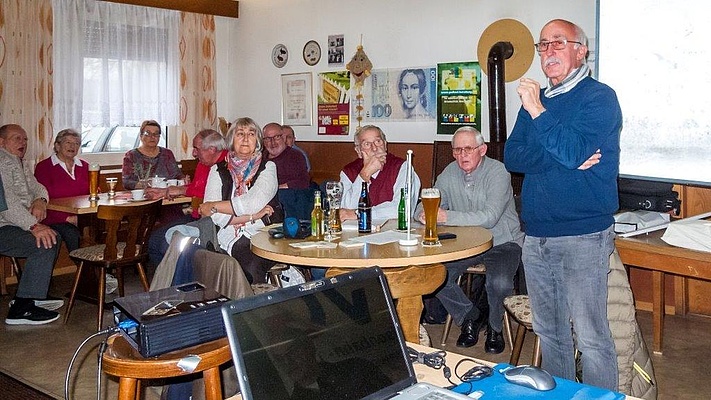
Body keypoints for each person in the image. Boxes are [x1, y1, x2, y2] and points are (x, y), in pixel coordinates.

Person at [504, 19, 622, 390]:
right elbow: (514, 157)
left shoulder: (599, 98)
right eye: (543, 45)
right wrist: (563, 155)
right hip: (536, 236)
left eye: (558, 43)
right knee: (551, 335)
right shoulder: (535, 101)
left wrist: (539, 112)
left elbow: (571, 150)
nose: (548, 51)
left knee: (591, 338)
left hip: (583, 236)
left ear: (580, 50)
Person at [415, 126, 524, 353]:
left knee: (499, 283)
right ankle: (469, 317)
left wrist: (445, 216)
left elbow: (489, 217)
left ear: (482, 150)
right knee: (433, 274)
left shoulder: (498, 172)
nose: (461, 155)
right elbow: (430, 199)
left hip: (503, 241)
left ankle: (495, 328)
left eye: (468, 149)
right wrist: (422, 213)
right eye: (456, 150)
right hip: (465, 244)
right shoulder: (449, 172)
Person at [198, 118, 278, 284]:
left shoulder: (268, 167)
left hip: (265, 232)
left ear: (257, 140)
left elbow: (252, 203)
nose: (246, 138)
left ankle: (257, 306)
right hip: (227, 234)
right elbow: (214, 217)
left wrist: (213, 206)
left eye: (251, 134)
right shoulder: (218, 169)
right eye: (240, 134)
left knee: (251, 264)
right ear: (231, 140)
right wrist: (251, 217)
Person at [0, 124, 63, 325]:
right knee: (46, 241)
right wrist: (34, 226)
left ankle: (32, 294)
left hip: (15, 224)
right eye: (17, 138)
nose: (23, 143)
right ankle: (21, 309)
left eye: (25, 139)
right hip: (3, 227)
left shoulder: (18, 161)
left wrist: (40, 201)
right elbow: (6, 206)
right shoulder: (2, 162)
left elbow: (38, 187)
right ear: (1, 142)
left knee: (54, 235)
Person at [145, 129, 228, 267]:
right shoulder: (204, 163)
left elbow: (205, 192)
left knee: (165, 244)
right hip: (197, 216)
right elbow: (196, 187)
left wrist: (174, 190)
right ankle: (169, 282)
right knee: (153, 241)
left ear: (212, 149)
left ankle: (181, 280)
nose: (193, 153)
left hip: (213, 223)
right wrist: (168, 191)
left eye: (196, 148)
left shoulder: (226, 165)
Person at [339, 125, 420, 222]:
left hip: (392, 232)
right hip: (355, 232)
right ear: (358, 151)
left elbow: (402, 210)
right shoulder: (349, 171)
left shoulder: (402, 167)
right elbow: (345, 211)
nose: (374, 148)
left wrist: (359, 214)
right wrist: (365, 174)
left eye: (378, 142)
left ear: (385, 145)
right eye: (367, 144)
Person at [34, 129, 88, 252]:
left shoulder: (85, 166)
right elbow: (42, 197)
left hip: (83, 216)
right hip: (54, 218)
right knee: (72, 233)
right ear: (57, 146)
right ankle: (86, 269)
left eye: (76, 143)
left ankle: (106, 266)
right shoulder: (44, 167)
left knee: (107, 227)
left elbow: (94, 193)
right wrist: (67, 218)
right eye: (68, 142)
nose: (72, 146)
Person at [121, 119, 184, 190]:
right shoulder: (131, 155)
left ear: (159, 137)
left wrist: (183, 180)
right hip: (141, 196)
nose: (152, 137)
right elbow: (126, 182)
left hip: (166, 195)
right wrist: (146, 184)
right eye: (148, 134)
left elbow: (177, 175)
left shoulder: (167, 154)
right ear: (141, 136)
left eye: (156, 134)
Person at [262, 122, 310, 189]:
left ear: (283, 138)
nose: (272, 142)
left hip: (286, 194)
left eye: (277, 137)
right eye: (268, 138)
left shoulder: (295, 156)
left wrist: (276, 188)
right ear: (263, 141)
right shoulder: (260, 157)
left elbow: (303, 182)